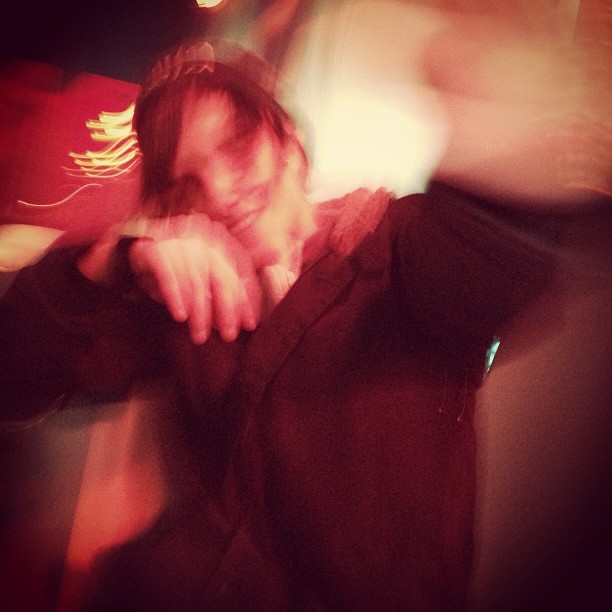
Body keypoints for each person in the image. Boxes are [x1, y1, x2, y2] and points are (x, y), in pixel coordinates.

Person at [0, 37, 603, 611]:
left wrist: (492, 98)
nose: (219, 191)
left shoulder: (394, 253)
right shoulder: (183, 305)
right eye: (188, 182)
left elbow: (496, 259)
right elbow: (12, 378)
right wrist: (113, 261)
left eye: (237, 147)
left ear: (288, 140)